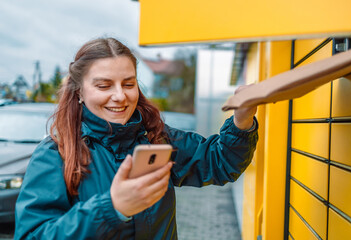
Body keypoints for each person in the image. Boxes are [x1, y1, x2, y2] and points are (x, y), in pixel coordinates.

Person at [14, 37, 258, 240]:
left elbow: (219, 163)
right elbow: (33, 235)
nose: (120, 96)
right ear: (79, 91)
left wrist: (242, 120)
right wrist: (112, 208)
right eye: (104, 86)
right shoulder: (55, 154)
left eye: (128, 84)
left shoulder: (157, 138)